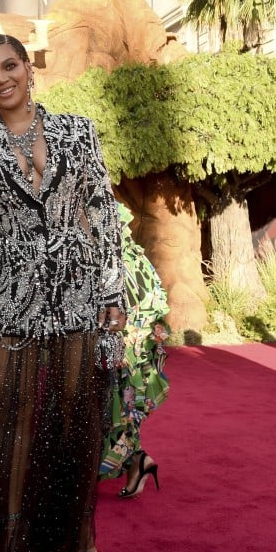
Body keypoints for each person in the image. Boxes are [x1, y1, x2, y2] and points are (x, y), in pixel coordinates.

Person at [0, 33, 125, 552]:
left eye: (10, 66)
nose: (2, 79)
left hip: (77, 289)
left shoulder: (77, 130)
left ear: (28, 68)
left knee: (76, 418)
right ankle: (9, 539)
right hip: (12, 297)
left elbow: (102, 211)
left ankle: (79, 534)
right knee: (13, 423)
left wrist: (113, 293)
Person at [99, 203, 170, 498]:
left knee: (118, 405)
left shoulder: (116, 261)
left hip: (124, 347)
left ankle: (134, 460)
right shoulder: (135, 258)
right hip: (131, 347)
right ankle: (138, 461)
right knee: (120, 406)